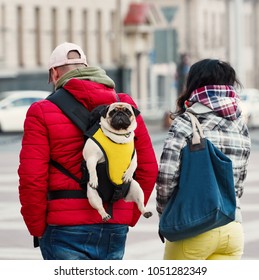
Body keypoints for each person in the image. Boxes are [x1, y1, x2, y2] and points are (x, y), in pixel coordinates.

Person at [18, 42, 158, 260]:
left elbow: (32, 177)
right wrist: (126, 215)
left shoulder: (42, 111)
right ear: (87, 67)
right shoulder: (124, 104)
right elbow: (148, 167)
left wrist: (37, 228)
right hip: (114, 224)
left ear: (55, 74)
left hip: (63, 228)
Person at [156, 58, 251, 260]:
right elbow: (239, 181)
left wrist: (166, 215)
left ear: (194, 84)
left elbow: (166, 177)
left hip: (193, 228)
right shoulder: (239, 124)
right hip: (232, 229)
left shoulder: (185, 123)